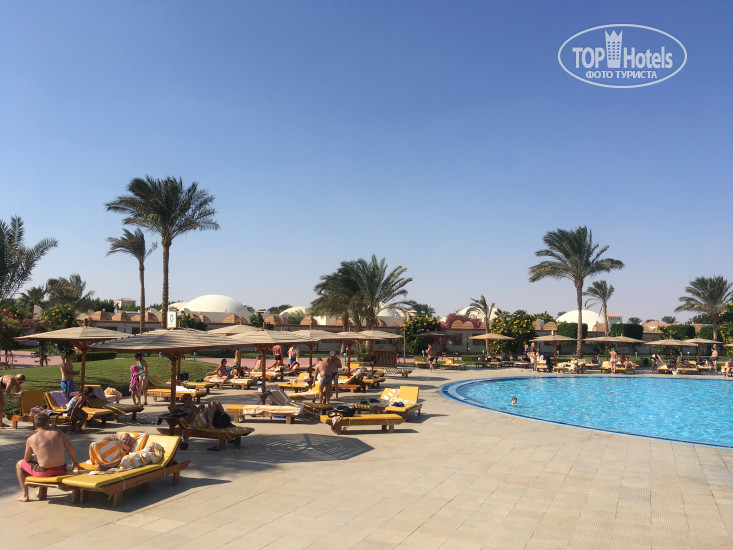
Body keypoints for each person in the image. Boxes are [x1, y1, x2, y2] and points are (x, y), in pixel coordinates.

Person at [16, 412, 80, 501]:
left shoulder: (31, 439)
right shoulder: (59, 433)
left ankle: (25, 495)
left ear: (35, 424)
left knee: (19, 464)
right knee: (42, 462)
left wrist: (34, 457)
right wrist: (75, 462)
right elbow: (71, 449)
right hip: (62, 470)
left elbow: (26, 459)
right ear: (47, 422)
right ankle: (39, 490)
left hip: (44, 472)